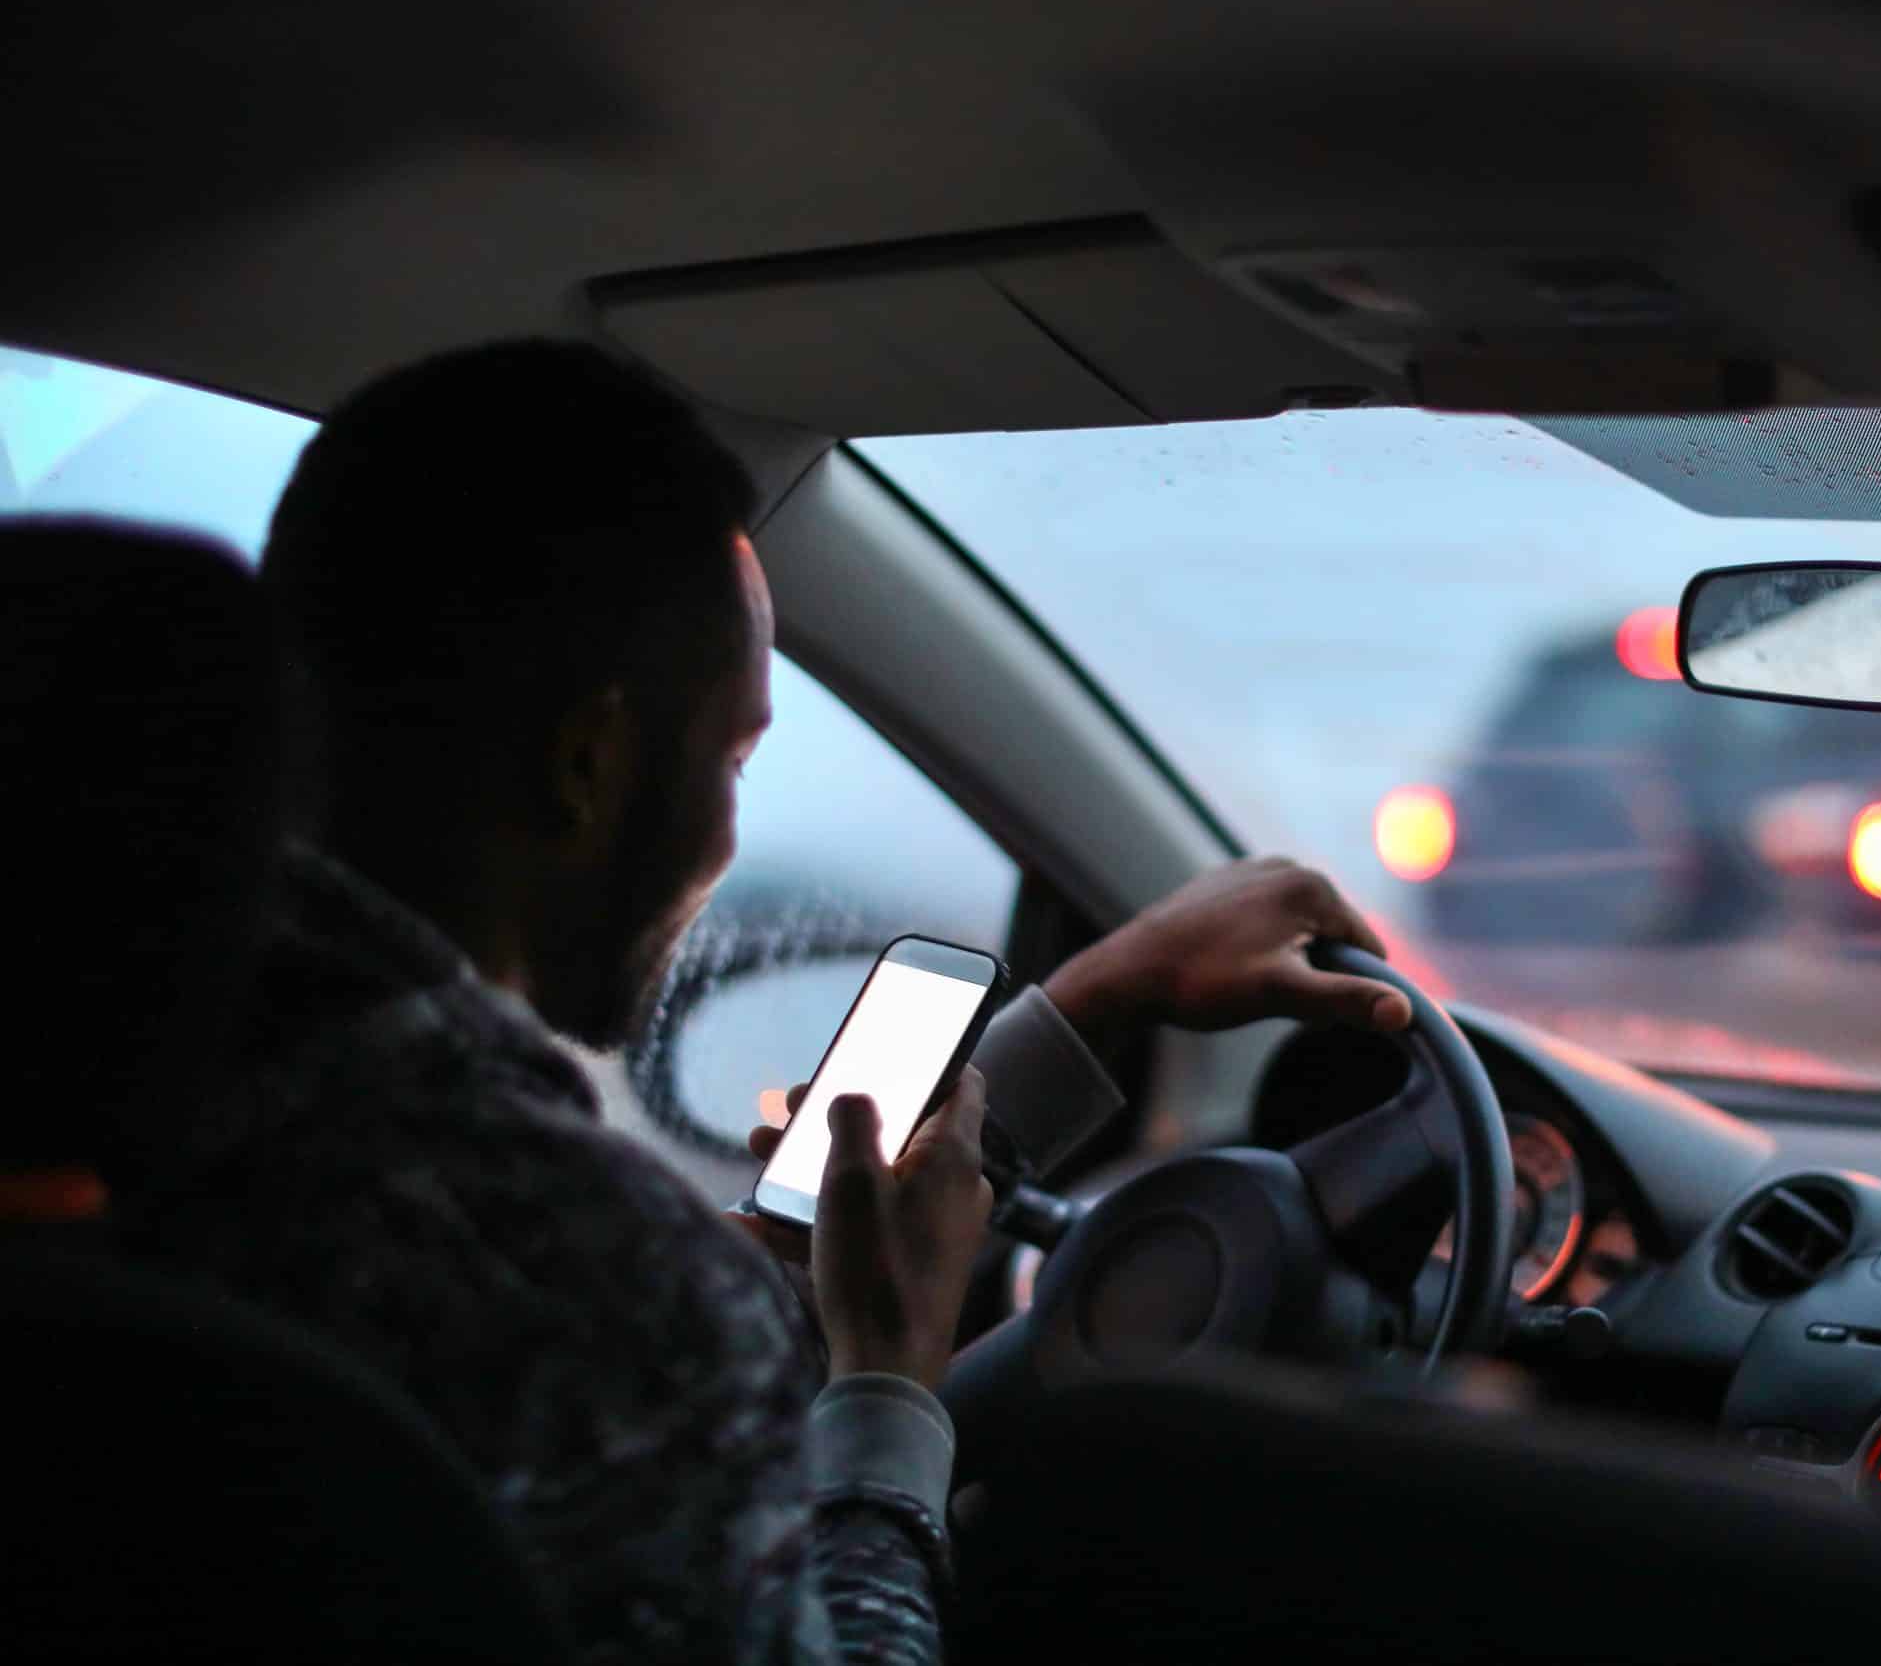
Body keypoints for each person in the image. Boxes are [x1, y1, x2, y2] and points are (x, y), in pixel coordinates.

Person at [117, 340, 1414, 1666]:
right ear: (588, 767)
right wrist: (885, 1392)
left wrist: (1093, 1003)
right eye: (733, 754)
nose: (731, 831)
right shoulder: (596, 1283)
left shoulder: (124, 1071)